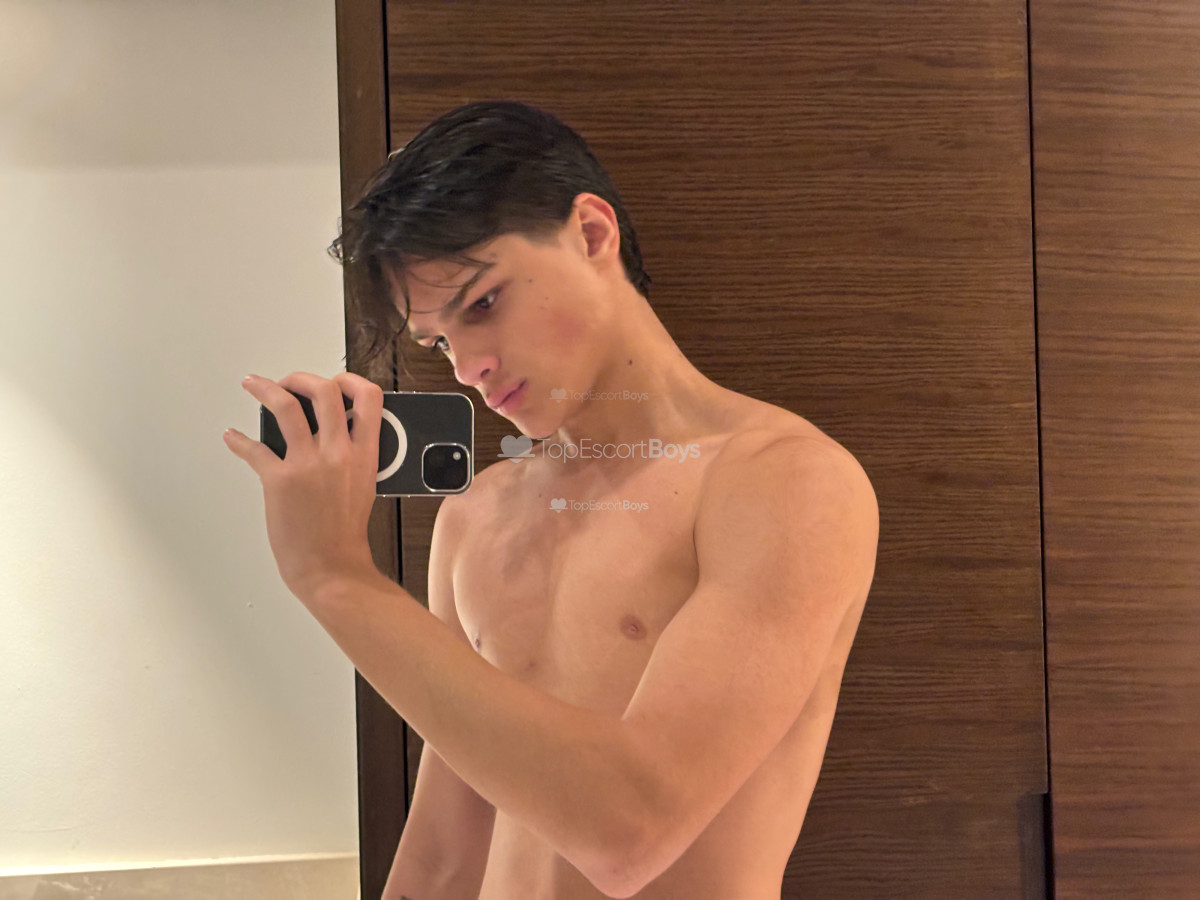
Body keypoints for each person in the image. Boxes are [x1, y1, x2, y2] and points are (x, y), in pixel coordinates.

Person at [223, 100, 879, 900]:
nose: (466, 364)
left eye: (483, 303)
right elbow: (443, 851)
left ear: (592, 234)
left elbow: (632, 829)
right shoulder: (476, 515)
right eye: (439, 340)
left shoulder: (783, 481)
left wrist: (336, 577)